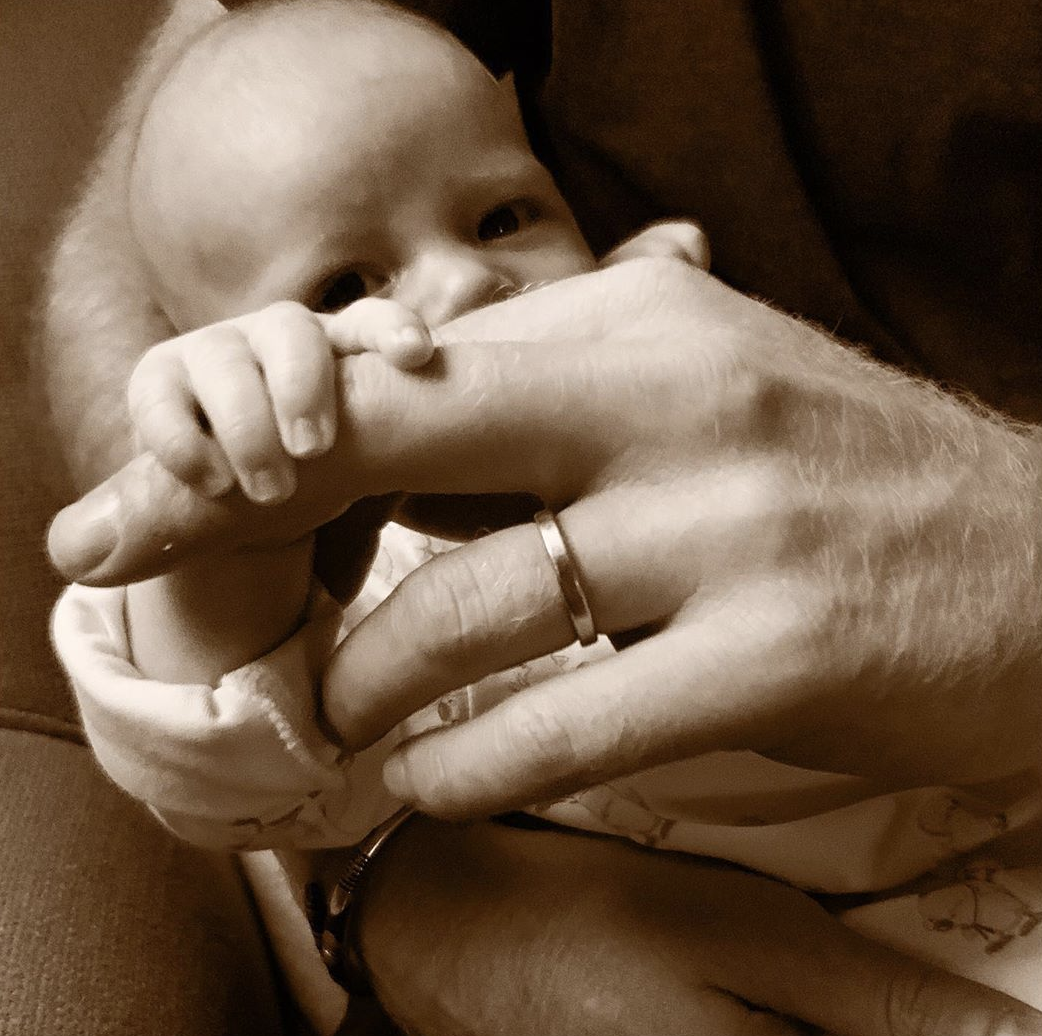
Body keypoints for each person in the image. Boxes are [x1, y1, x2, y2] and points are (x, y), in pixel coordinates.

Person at [40, 0, 1042, 1033]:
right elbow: (232, 779)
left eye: (503, 218)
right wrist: (232, 541)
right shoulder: (341, 569)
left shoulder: (678, 370)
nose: (468, 279)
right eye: (344, 284)